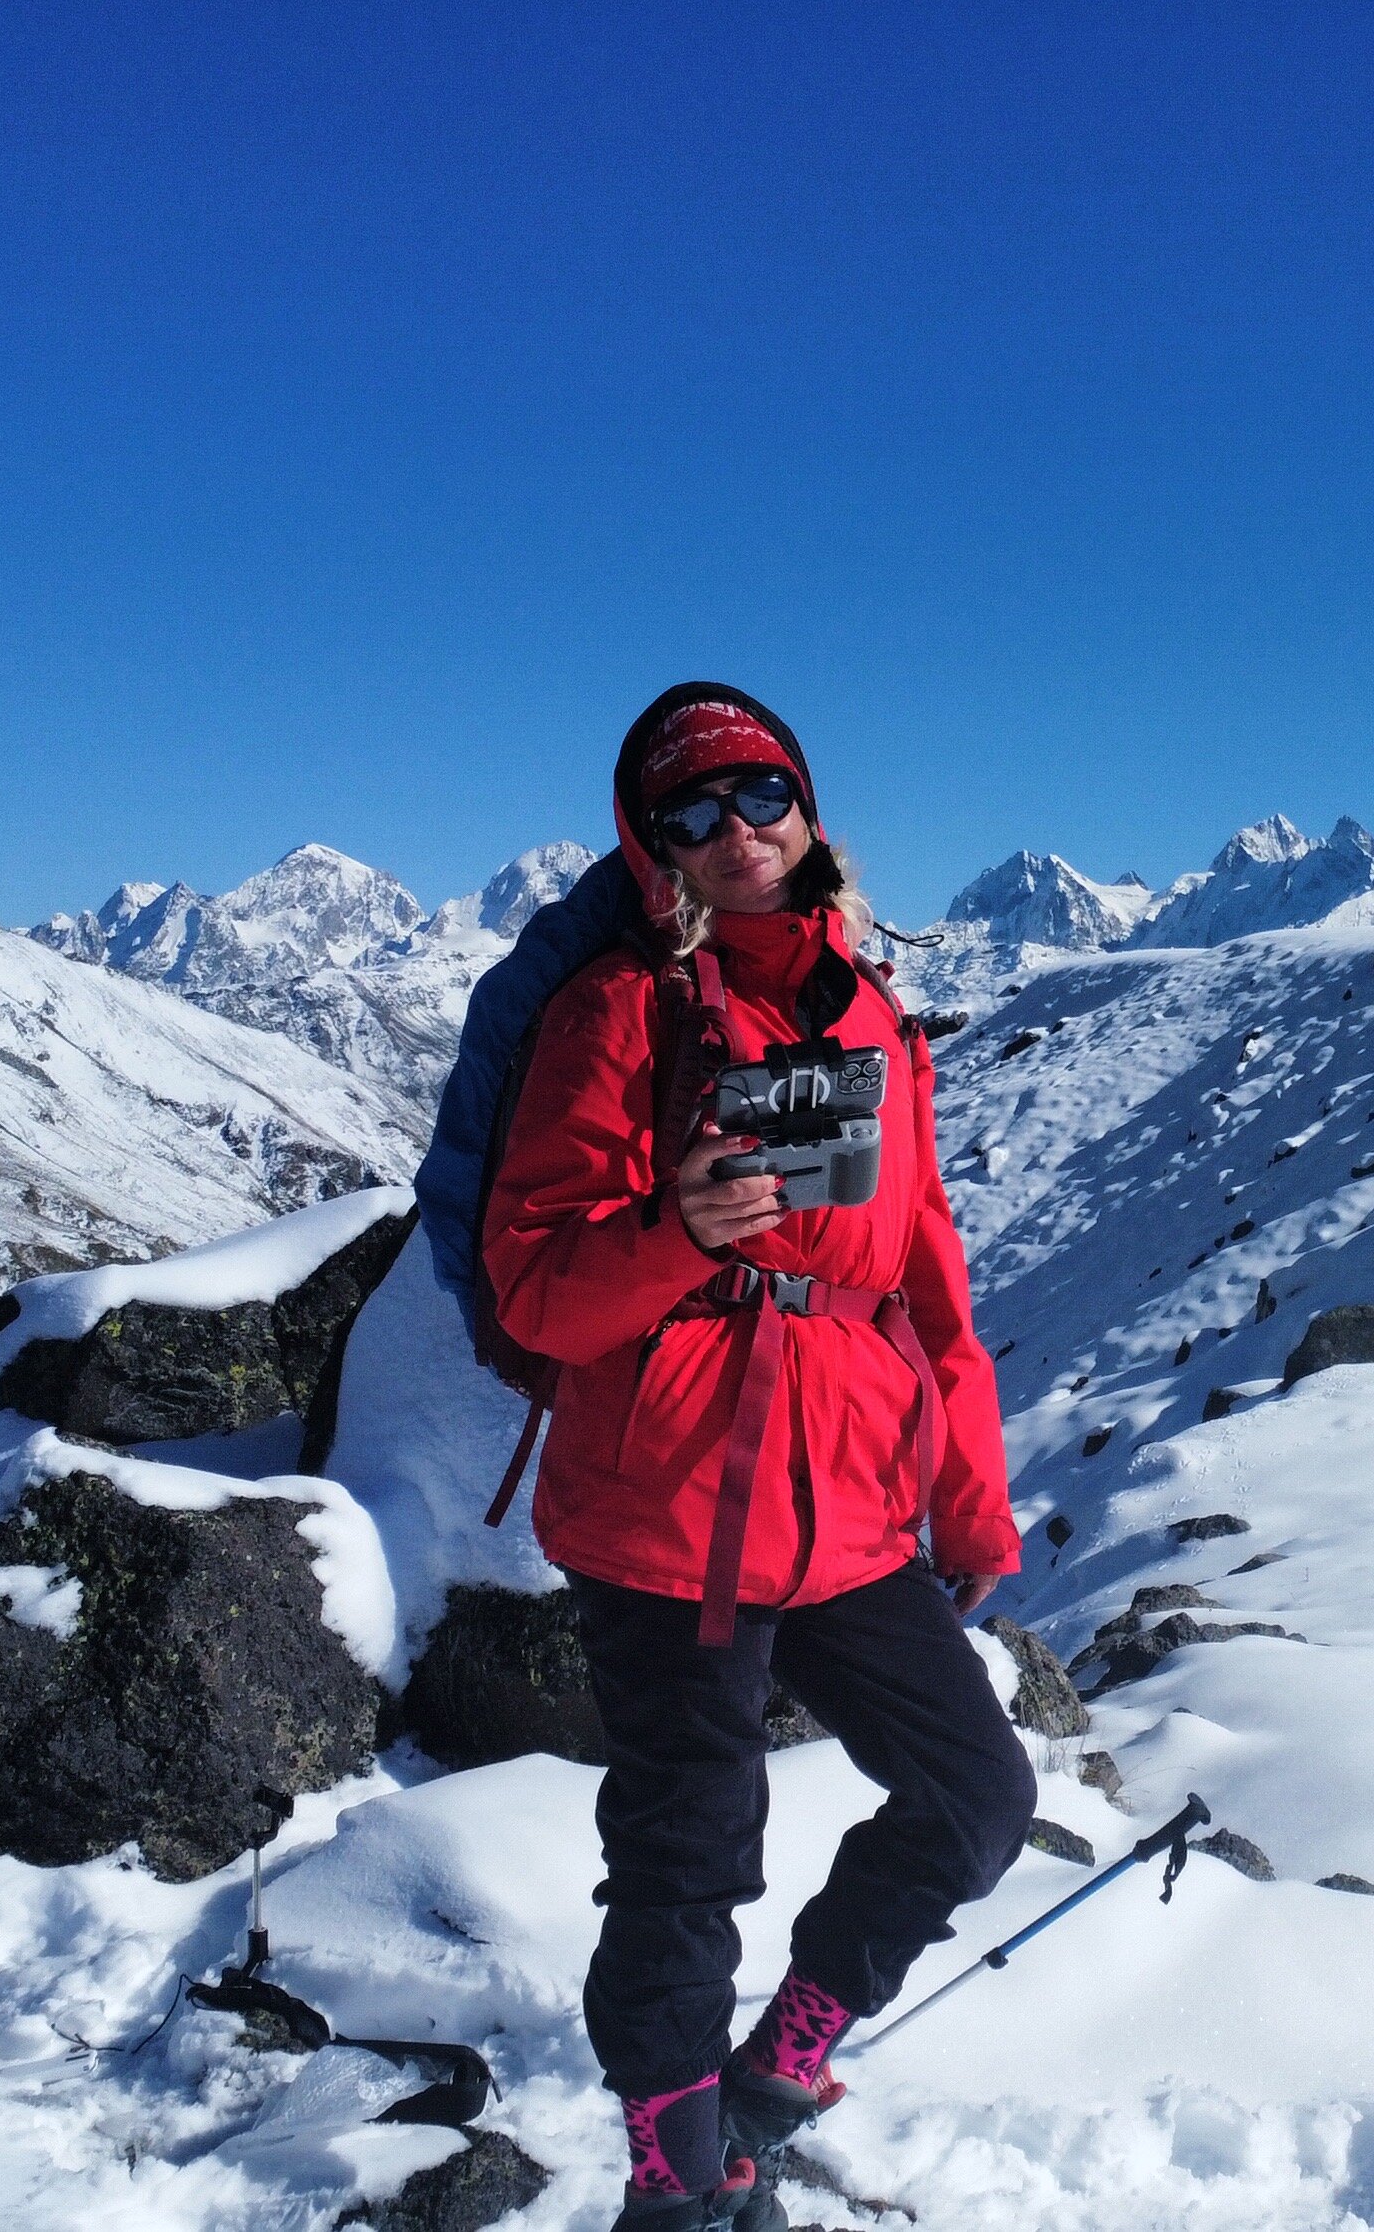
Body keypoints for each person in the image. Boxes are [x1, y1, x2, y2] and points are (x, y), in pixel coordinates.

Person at [480, 684, 1032, 2230]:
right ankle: (676, 2175)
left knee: (977, 1793)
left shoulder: (874, 1015)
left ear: (809, 806)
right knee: (686, 1864)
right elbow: (535, 1284)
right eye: (692, 815)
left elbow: (927, 1276)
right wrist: (679, 1230)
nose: (736, 834)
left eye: (760, 795)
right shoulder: (618, 1015)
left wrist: (966, 1492)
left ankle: (777, 2069)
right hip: (668, 1503)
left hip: (850, 1497)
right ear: (654, 850)